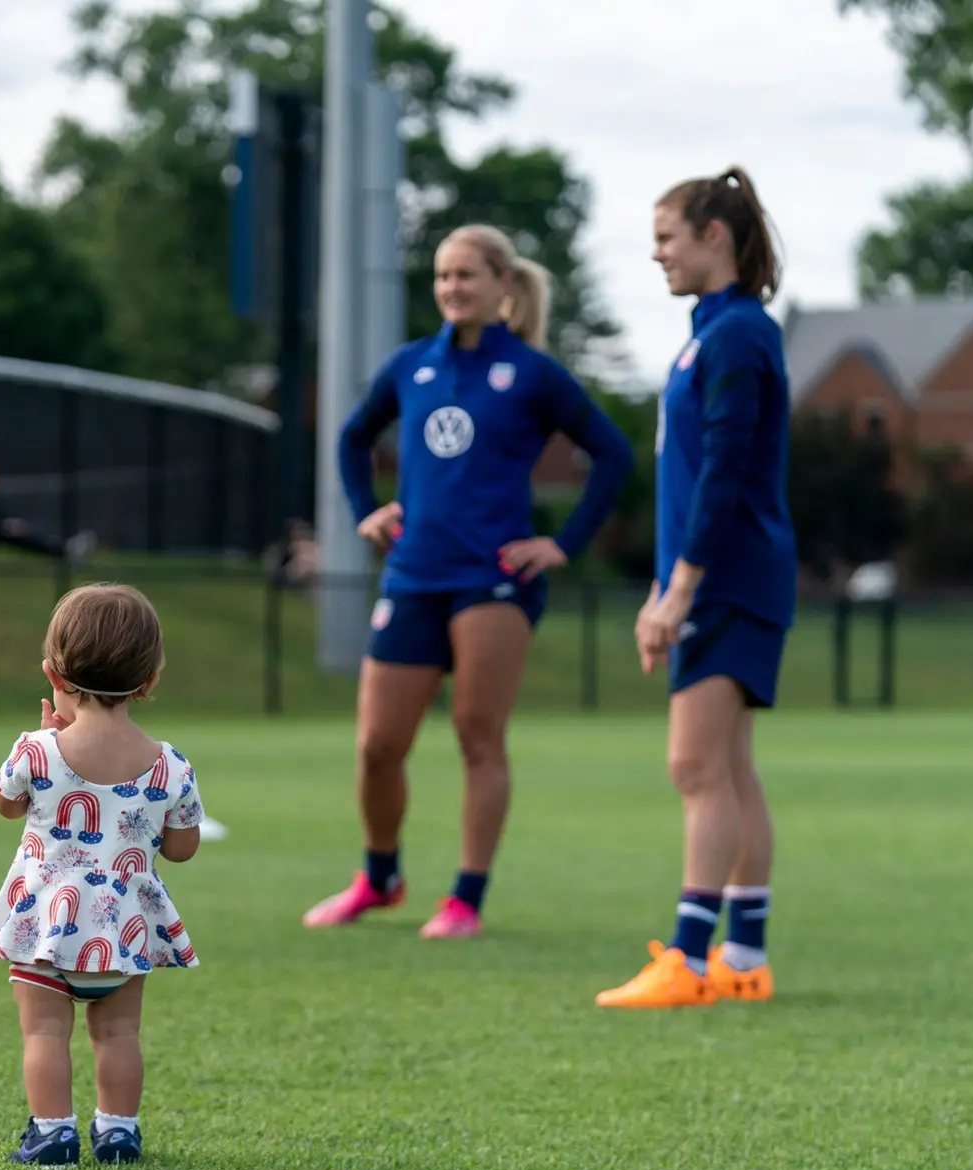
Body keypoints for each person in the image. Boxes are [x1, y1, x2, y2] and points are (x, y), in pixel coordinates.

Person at [303, 224, 634, 938]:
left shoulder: (533, 373)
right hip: (414, 572)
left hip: (494, 578)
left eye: (468, 275)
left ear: (502, 286)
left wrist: (563, 543)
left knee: (477, 735)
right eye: (444, 276)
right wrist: (367, 512)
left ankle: (465, 898)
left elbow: (612, 454)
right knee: (376, 744)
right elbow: (352, 437)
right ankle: (380, 877)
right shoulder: (411, 365)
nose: (453, 287)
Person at [599, 168, 794, 1009]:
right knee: (730, 767)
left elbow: (723, 475)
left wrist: (678, 590)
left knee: (694, 765)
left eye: (668, 235)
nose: (657, 252)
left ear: (715, 237)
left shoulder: (739, 334)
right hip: (722, 577)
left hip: (729, 579)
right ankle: (742, 958)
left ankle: (688, 958)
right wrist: (662, 585)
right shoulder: (713, 331)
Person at [0, 584, 203, 1166]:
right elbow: (181, 849)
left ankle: (53, 1134)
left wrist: (51, 734)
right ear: (149, 680)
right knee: (119, 1035)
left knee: (45, 1035)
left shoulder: (35, 751)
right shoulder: (170, 764)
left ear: (53, 672)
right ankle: (119, 1132)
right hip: (124, 932)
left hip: (46, 929)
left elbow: (5, 805)